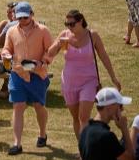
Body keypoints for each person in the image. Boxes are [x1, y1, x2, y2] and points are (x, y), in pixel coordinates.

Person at [45, 9, 123, 138]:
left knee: (83, 117)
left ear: (81, 21)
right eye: (67, 24)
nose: (69, 27)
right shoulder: (65, 35)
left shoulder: (93, 36)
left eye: (72, 24)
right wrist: (58, 43)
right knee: (76, 118)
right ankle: (82, 147)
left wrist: (113, 77)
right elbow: (50, 53)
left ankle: (87, 147)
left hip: (89, 81)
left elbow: (104, 56)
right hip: (69, 82)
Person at [2, 1, 54, 155]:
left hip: (37, 74)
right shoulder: (11, 31)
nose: (22, 20)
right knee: (18, 106)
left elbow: (50, 51)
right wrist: (6, 55)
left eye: (25, 17)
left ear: (32, 14)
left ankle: (42, 134)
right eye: (19, 17)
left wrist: (42, 62)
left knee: (39, 106)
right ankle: (17, 144)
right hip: (17, 73)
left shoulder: (43, 30)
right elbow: (6, 48)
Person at [78, 87, 135, 160]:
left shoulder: (84, 131)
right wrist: (124, 129)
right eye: (120, 106)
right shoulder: (107, 136)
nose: (122, 109)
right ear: (109, 107)